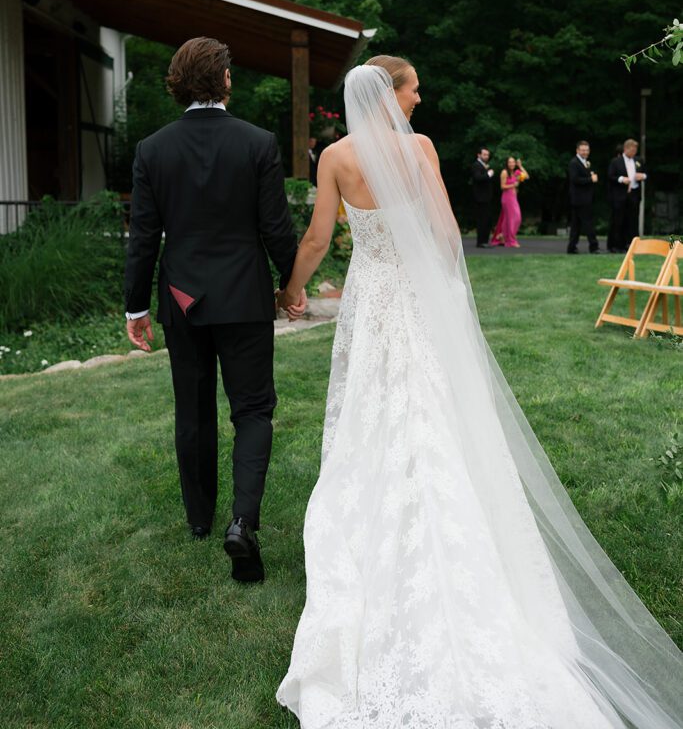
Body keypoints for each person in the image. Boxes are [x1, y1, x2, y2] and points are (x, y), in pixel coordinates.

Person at [276, 55, 683, 729]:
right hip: (413, 294)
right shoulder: (421, 150)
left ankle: (373, 518)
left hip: (372, 297)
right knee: (433, 404)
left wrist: (292, 288)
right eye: (412, 88)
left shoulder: (336, 158)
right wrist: (449, 296)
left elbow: (320, 235)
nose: (419, 97)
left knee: (375, 407)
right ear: (390, 94)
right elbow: (442, 231)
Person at [124, 37, 305, 583]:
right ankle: (241, 524)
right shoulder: (257, 142)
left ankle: (199, 521)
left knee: (193, 409)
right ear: (223, 80)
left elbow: (143, 240)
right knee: (252, 410)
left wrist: (136, 307)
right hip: (245, 297)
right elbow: (276, 228)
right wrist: (292, 286)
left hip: (182, 298)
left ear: (180, 83)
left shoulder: (152, 149)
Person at [608, 137, 648, 250]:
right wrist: (621, 179)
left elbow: (646, 174)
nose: (634, 152)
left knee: (633, 220)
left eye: (635, 150)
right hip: (620, 194)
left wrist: (643, 176)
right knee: (618, 220)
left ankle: (632, 244)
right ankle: (615, 245)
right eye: (632, 150)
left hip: (634, 194)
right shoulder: (616, 161)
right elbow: (610, 176)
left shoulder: (639, 160)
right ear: (625, 149)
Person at [567, 139, 601, 254]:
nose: (585, 152)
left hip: (585, 198)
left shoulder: (586, 162)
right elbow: (575, 179)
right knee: (588, 223)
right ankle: (594, 246)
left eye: (587, 150)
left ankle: (571, 247)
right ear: (577, 150)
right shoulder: (574, 163)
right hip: (580, 198)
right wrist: (590, 179)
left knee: (576, 224)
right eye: (582, 150)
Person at [490, 155, 529, 247]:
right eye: (510, 162)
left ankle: (502, 235)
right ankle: (511, 241)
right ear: (507, 164)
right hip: (507, 198)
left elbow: (527, 176)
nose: (512, 164)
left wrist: (520, 166)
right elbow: (502, 186)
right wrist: (513, 185)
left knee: (508, 219)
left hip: (514, 198)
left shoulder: (516, 173)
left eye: (513, 162)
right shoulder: (504, 172)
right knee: (515, 218)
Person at [470, 146, 495, 247]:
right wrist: (488, 174)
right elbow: (477, 178)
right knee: (482, 220)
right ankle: (481, 242)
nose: (486, 156)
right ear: (479, 155)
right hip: (481, 198)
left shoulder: (483, 165)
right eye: (484, 154)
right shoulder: (476, 165)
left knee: (487, 219)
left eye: (487, 154)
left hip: (486, 198)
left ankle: (485, 241)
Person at [606, 143, 624, 252]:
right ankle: (612, 245)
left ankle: (620, 244)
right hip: (615, 198)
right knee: (615, 222)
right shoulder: (615, 163)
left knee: (620, 222)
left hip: (620, 198)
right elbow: (611, 178)